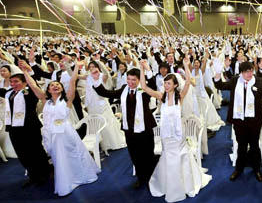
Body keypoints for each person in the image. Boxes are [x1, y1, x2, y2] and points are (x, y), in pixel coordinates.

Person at [20, 60, 99, 196]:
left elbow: (73, 81)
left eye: (57, 84)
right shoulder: (45, 100)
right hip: (51, 134)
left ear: (62, 88)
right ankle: (65, 177)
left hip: (66, 133)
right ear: (48, 89)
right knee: (58, 158)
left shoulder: (68, 99)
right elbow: (33, 86)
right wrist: (25, 72)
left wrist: (76, 68)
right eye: (52, 85)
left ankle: (76, 177)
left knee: (72, 155)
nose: (55, 86)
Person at [140, 58, 211, 202]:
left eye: (168, 83)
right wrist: (142, 69)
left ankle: (186, 184)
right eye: (165, 83)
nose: (166, 86)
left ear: (175, 85)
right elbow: (144, 87)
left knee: (181, 156)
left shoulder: (181, 96)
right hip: (166, 136)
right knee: (169, 157)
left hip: (179, 136)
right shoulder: (161, 97)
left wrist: (186, 66)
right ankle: (169, 184)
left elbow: (188, 83)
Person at [92, 66, 157, 189]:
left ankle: (152, 178)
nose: (130, 82)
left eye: (134, 80)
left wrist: (148, 70)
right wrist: (96, 80)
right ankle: (141, 178)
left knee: (148, 155)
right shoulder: (124, 89)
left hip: (145, 129)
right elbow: (105, 93)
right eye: (128, 79)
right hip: (130, 130)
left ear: (139, 80)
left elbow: (154, 86)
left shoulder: (145, 90)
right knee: (135, 156)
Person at [213, 61, 262, 182]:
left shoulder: (258, 81)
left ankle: (256, 169)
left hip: (254, 121)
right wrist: (218, 74)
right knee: (241, 145)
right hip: (239, 121)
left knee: (255, 145)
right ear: (241, 72)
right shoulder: (235, 81)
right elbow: (220, 86)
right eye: (247, 71)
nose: (250, 73)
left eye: (251, 70)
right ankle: (238, 169)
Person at [0, 63, 51, 188]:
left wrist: (28, 72)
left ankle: (44, 174)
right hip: (14, 128)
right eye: (11, 82)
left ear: (25, 82)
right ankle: (32, 175)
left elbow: (34, 86)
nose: (13, 84)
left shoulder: (29, 92)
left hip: (29, 127)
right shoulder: (9, 93)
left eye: (16, 81)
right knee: (22, 154)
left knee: (35, 152)